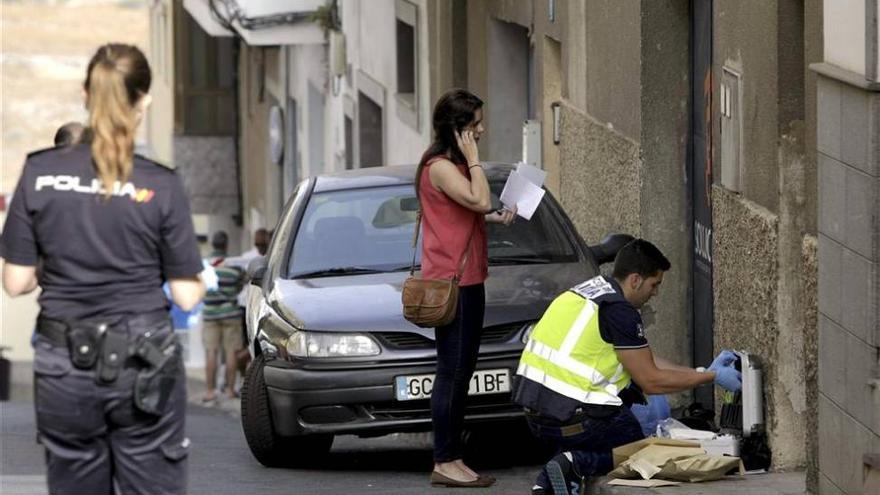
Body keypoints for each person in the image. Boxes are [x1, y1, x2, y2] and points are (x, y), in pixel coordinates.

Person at [0, 43, 205, 494]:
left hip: (64, 366)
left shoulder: (39, 172)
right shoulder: (160, 183)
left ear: (84, 94)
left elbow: (15, 282)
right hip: (143, 360)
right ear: (143, 101)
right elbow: (187, 294)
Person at [513, 239, 742, 495]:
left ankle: (550, 481)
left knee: (612, 423)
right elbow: (650, 381)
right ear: (635, 280)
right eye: (654, 285)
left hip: (537, 417)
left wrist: (700, 372)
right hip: (574, 419)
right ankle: (575, 463)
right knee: (643, 449)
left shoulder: (585, 293)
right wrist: (712, 377)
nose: (654, 293)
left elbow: (645, 362)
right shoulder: (619, 311)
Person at [416, 88, 517, 488]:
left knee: (461, 371)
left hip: (468, 281)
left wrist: (493, 218)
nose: (482, 130)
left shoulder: (450, 166)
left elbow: (465, 211)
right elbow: (477, 198)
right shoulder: (440, 165)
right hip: (452, 285)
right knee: (453, 373)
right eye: (475, 125)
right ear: (459, 130)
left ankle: (453, 457)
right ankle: (445, 459)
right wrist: (475, 162)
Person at [201, 230, 246, 402]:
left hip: (210, 314)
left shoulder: (204, 265)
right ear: (226, 245)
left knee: (211, 351)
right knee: (231, 352)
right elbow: (241, 285)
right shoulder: (233, 265)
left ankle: (210, 391)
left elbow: (199, 286)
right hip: (231, 313)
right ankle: (229, 390)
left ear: (213, 244)